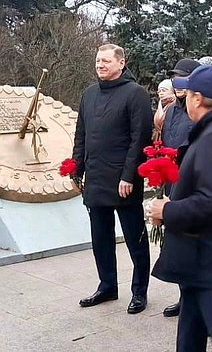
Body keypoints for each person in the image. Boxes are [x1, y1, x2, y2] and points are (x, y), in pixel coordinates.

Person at [149, 65, 212, 351]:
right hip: (203, 257)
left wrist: (166, 211)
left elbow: (211, 202)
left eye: (187, 92)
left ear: (196, 98)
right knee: (191, 334)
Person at [72, 43, 152, 314]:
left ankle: (139, 291)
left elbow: (139, 138)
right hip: (95, 177)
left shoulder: (135, 94)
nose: (100, 65)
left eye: (106, 60)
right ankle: (107, 286)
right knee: (100, 238)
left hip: (123, 180)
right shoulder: (89, 94)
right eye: (98, 60)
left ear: (121, 63)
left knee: (134, 238)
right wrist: (77, 168)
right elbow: (81, 133)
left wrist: (129, 175)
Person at [160, 57, 201, 318]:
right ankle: (183, 295)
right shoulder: (173, 109)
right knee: (175, 244)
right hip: (170, 181)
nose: (178, 83)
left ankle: (193, 297)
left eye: (183, 78)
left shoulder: (198, 110)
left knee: (191, 246)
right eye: (175, 78)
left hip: (191, 184)